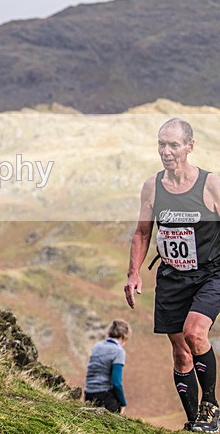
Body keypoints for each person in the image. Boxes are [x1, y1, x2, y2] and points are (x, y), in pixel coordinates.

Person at [125, 118, 220, 433]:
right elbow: (142, 232)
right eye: (161, 144)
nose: (166, 151)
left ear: (190, 147)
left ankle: (211, 407)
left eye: (174, 145)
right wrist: (133, 273)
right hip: (171, 277)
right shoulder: (152, 187)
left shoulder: (211, 185)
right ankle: (195, 422)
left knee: (195, 333)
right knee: (181, 353)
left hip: (210, 274)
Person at [84, 320, 130, 413]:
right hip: (105, 396)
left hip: (89, 393)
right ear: (124, 336)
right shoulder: (118, 351)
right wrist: (123, 403)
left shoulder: (97, 346)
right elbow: (116, 382)